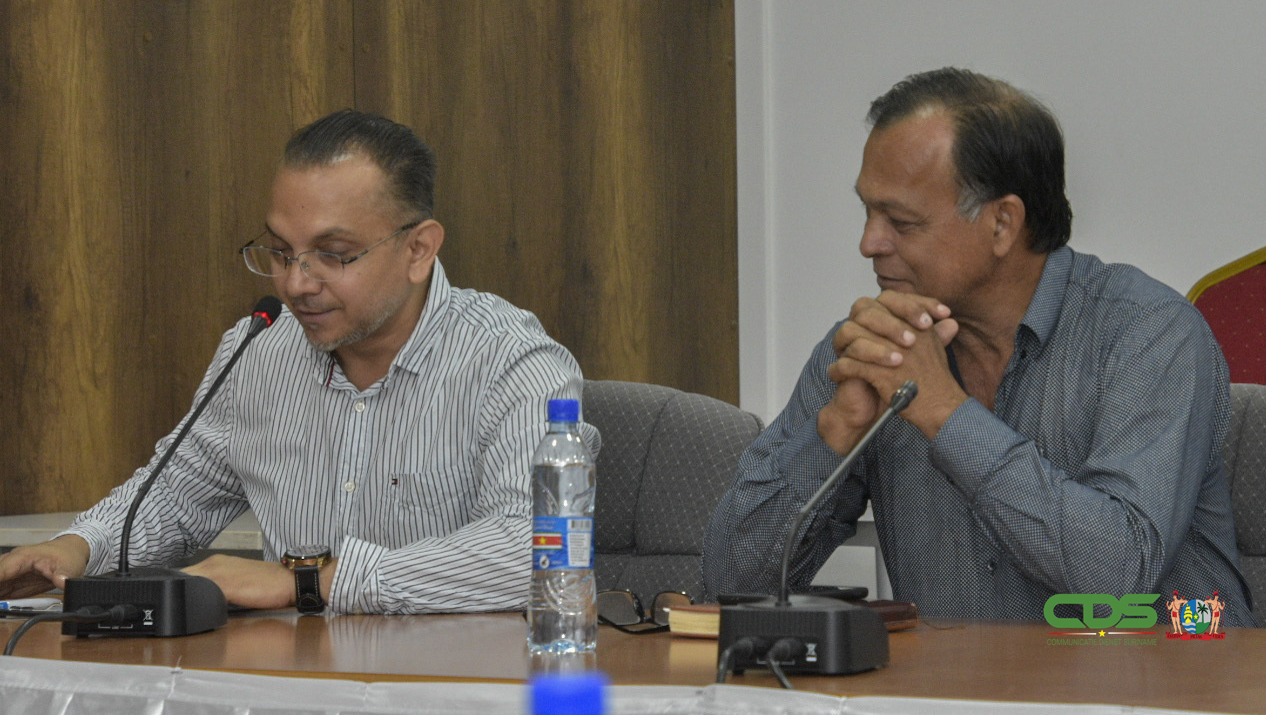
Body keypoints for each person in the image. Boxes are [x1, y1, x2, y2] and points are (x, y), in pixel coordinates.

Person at [701, 68, 1254, 626]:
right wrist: (832, 439)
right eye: (867, 211)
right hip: (955, 678)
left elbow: (1117, 577)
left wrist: (945, 412)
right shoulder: (875, 350)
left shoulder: (1149, 332)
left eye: (902, 221)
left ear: (1002, 224)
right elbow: (726, 589)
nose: (869, 242)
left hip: (1168, 675)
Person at [0, 109, 598, 614]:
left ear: (418, 249)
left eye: (332, 254)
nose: (295, 283)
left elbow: (539, 550)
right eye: (281, 251)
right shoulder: (259, 349)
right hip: (288, 680)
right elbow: (176, 496)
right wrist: (78, 548)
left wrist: (307, 583)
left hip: (452, 686)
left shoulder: (513, 363)